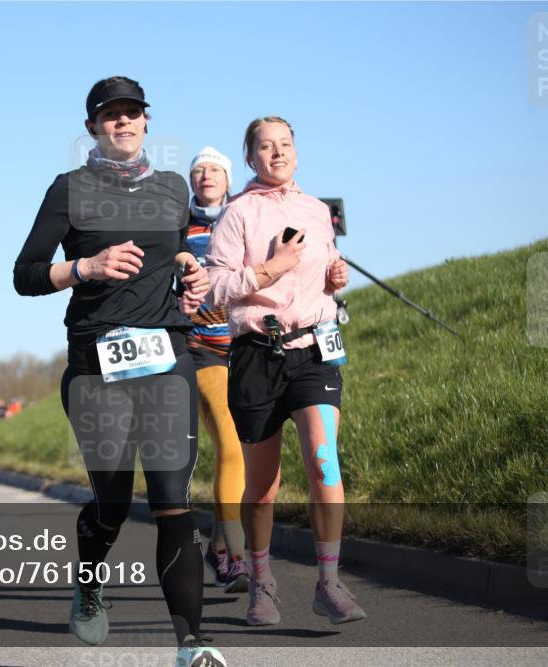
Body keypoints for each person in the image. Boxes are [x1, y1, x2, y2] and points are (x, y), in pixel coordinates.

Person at [13, 76, 224, 666]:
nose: (123, 122)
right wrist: (86, 265)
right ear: (91, 127)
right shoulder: (70, 189)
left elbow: (176, 250)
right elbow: (25, 274)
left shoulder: (170, 186)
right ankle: (88, 582)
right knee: (111, 501)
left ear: (147, 122)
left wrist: (192, 271)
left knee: (171, 501)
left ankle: (193, 646)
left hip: (167, 356)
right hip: (95, 361)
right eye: (111, 115)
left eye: (133, 113)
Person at [205, 116, 364, 626]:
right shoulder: (236, 214)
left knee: (324, 463)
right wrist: (270, 269)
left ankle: (329, 584)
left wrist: (335, 276)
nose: (278, 153)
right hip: (256, 353)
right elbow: (212, 291)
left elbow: (326, 274)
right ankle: (262, 583)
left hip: (313, 349)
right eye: (266, 147)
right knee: (263, 488)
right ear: (250, 158)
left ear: (297, 152)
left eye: (286, 144)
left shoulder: (317, 211)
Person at [183, 147, 249, 593]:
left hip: (248, 345)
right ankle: (237, 553)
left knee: (243, 447)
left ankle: (219, 545)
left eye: (214, 169)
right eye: (198, 169)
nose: (206, 175)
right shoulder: (175, 226)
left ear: (228, 179)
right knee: (228, 440)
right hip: (201, 347)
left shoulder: (246, 217)